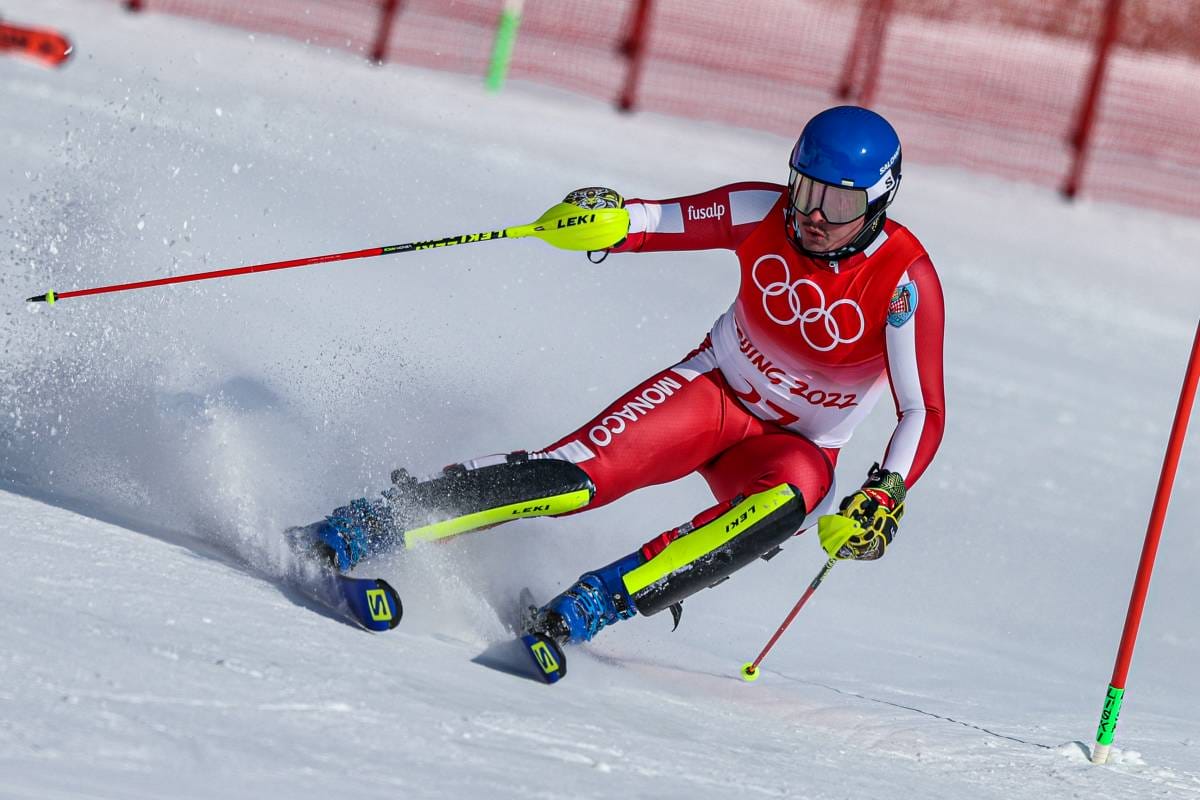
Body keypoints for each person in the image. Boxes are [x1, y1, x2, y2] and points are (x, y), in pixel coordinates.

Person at [291, 105, 945, 646]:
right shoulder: (765, 211)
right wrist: (607, 220)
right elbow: (660, 220)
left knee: (793, 499)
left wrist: (887, 491)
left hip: (793, 450)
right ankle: (357, 529)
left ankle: (592, 604)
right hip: (715, 393)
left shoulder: (903, 282)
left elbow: (922, 410)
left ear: (879, 201)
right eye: (805, 188)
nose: (813, 216)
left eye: (838, 202)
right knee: (575, 479)